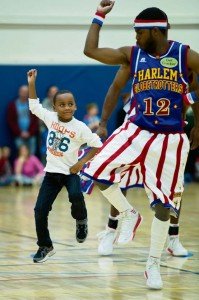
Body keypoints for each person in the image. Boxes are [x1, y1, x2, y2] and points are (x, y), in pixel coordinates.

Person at [83, 1, 199, 289]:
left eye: (138, 32)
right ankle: (127, 213)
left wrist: (197, 119)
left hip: (171, 139)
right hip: (135, 130)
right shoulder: (132, 55)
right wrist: (99, 16)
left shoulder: (184, 54)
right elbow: (91, 51)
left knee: (163, 206)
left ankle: (153, 265)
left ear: (155, 32)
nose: (134, 37)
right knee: (95, 169)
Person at [97, 70, 199, 258]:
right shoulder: (143, 66)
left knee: (176, 189)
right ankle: (111, 230)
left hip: (167, 137)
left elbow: (190, 99)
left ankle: (173, 238)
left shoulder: (184, 74)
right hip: (139, 132)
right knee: (120, 180)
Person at [27, 69, 102, 263]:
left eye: (70, 104)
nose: (66, 107)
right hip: (51, 174)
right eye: (62, 104)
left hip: (70, 173)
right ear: (55, 107)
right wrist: (32, 82)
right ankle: (45, 245)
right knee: (39, 210)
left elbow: (97, 145)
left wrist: (80, 163)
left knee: (76, 196)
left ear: (75, 106)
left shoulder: (80, 128)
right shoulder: (50, 118)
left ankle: (81, 221)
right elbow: (34, 105)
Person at [7, 85, 39, 155]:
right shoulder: (12, 105)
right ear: (19, 92)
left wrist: (29, 133)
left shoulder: (32, 105)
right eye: (23, 92)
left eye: (26, 92)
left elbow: (36, 121)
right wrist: (20, 133)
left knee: (31, 156)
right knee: (21, 155)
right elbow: (11, 121)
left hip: (31, 135)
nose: (24, 94)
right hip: (18, 135)